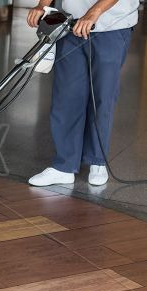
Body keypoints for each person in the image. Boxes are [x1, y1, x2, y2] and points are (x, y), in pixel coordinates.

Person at [27, 0, 139, 186]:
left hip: (112, 25)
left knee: (102, 96)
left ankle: (97, 162)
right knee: (67, 95)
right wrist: (42, 5)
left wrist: (94, 12)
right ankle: (64, 166)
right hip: (72, 24)